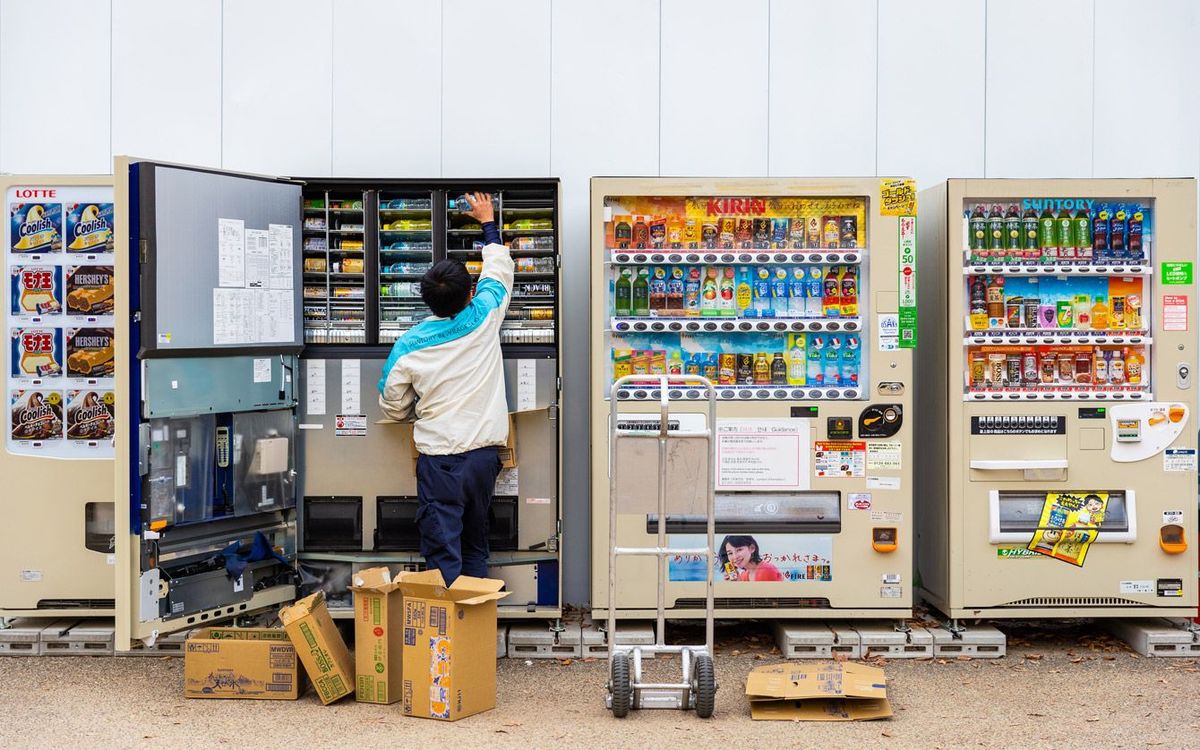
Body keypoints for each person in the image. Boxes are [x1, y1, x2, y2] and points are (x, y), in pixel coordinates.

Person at [378, 192, 513, 585]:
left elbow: (391, 403)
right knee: (476, 543)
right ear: (469, 293)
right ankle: (475, 625)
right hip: (484, 458)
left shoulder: (408, 346)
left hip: (440, 461)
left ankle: (446, 638)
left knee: (442, 551)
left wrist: (410, 413)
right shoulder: (485, 314)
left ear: (426, 301)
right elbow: (499, 269)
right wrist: (487, 221)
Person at [717, 534, 783, 582]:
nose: (735, 557)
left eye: (739, 550)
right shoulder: (744, 575)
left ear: (752, 548)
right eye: (730, 553)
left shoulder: (766, 569)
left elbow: (761, 600)